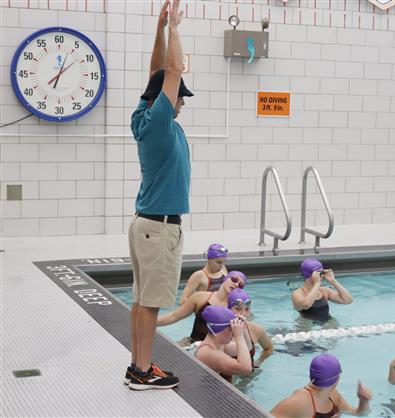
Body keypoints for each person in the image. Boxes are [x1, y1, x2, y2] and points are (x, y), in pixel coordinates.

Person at [126, 0, 193, 391]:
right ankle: (144, 371)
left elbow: (155, 75)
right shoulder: (162, 124)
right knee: (149, 303)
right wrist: (175, 30)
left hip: (144, 225)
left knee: (139, 299)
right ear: (168, 100)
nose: (181, 101)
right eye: (179, 95)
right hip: (159, 228)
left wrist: (159, 29)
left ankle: (137, 364)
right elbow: (168, 71)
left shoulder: (143, 116)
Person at [157, 271, 247, 344]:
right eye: (234, 279)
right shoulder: (200, 297)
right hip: (191, 343)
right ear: (225, 279)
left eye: (241, 285)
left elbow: (238, 338)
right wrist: (148, 323)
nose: (236, 284)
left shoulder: (237, 309)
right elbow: (174, 316)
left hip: (218, 350)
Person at [271, 353, 372, 418]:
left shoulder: (333, 396)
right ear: (337, 378)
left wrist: (363, 400)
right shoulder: (300, 402)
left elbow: (358, 414)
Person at [195, 306, 253, 382]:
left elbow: (248, 347)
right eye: (231, 328)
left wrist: (243, 327)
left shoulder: (220, 345)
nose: (233, 332)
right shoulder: (208, 352)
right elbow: (246, 368)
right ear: (219, 330)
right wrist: (239, 336)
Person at [224, 288, 273, 368]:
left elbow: (269, 349)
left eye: (247, 309)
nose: (243, 314)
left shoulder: (256, 329)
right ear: (228, 308)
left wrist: (259, 362)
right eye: (238, 309)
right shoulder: (220, 331)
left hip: (248, 375)